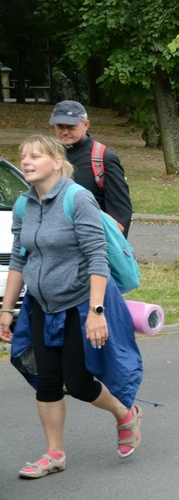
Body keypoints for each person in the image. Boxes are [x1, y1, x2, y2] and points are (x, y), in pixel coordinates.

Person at [0, 135, 143, 479]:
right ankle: (54, 454)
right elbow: (20, 260)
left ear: (56, 161)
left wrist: (96, 313)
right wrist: (7, 310)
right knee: (47, 380)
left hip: (80, 303)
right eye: (23, 156)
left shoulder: (78, 198)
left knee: (78, 383)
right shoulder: (23, 205)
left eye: (35, 156)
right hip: (40, 304)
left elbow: (98, 257)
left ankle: (124, 413)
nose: (26, 161)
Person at [49, 100, 133, 237]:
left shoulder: (104, 158)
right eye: (59, 126)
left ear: (86, 125)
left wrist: (115, 250)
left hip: (92, 242)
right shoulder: (49, 156)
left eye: (71, 126)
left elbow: (120, 212)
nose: (64, 132)